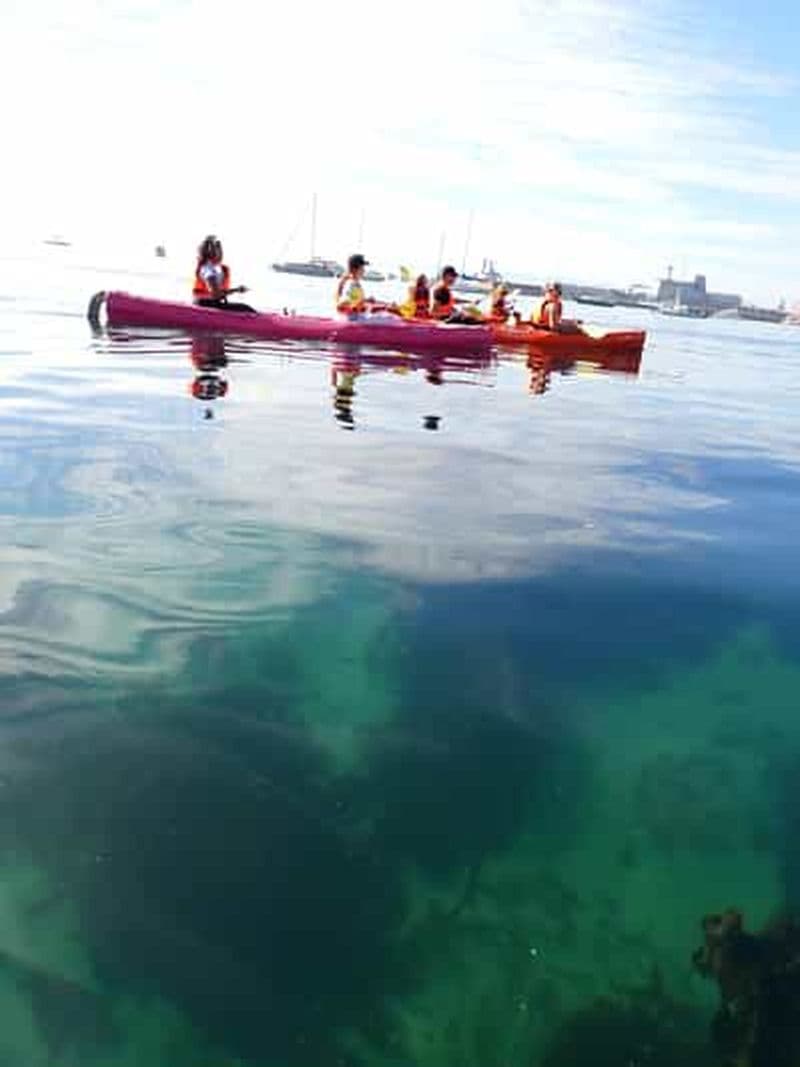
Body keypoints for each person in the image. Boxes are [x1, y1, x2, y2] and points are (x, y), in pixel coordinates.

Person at [192, 235, 254, 312]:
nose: (222, 252)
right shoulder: (208, 269)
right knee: (245, 309)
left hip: (214, 304)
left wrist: (237, 290)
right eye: (218, 248)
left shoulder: (217, 268)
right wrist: (237, 290)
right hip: (205, 306)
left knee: (246, 308)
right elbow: (216, 294)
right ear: (211, 252)